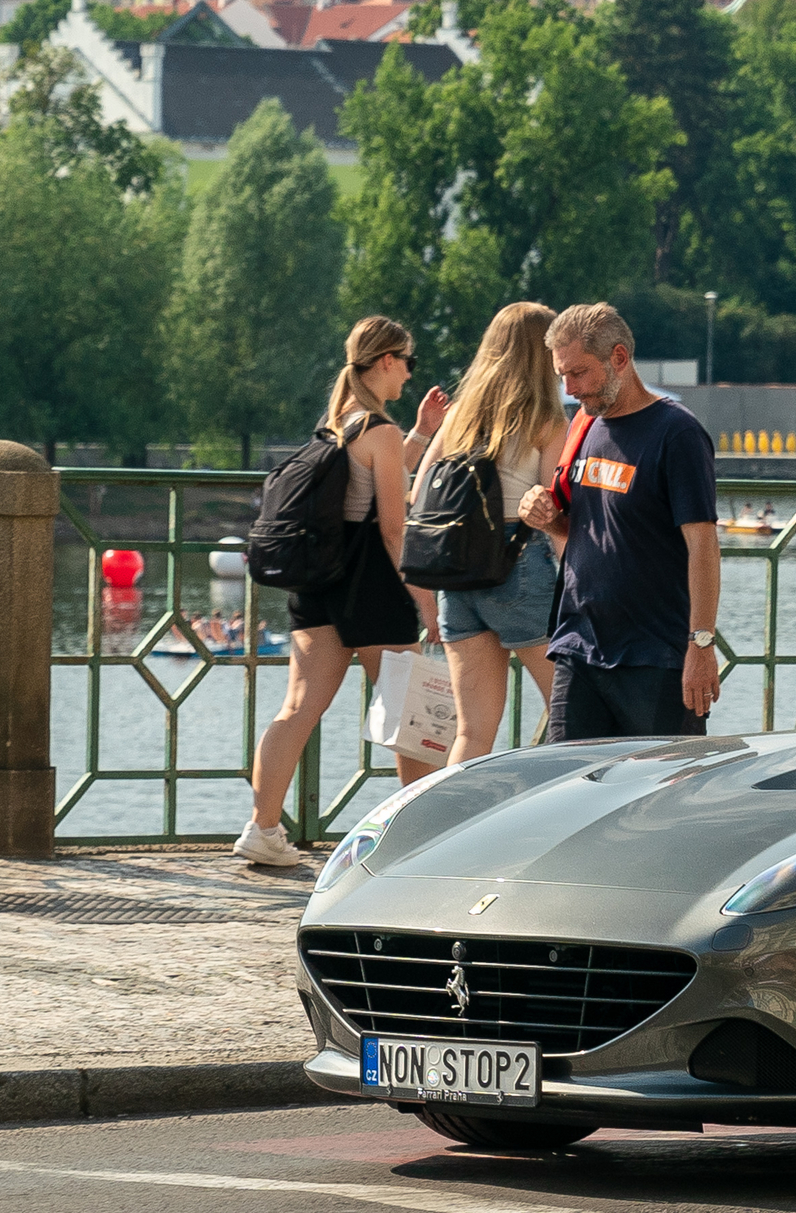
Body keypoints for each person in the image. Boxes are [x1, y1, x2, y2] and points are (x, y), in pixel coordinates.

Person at [234, 315, 449, 867]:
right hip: (371, 583)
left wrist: (420, 433)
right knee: (411, 713)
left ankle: (262, 828)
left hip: (319, 580)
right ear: (385, 361)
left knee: (298, 707)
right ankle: (418, 841)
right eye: (408, 361)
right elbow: (393, 524)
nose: (408, 372)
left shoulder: (336, 427)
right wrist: (424, 597)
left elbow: (376, 473)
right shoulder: (379, 430)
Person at [518, 303, 720, 739]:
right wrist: (547, 518)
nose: (571, 389)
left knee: (659, 798)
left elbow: (703, 545)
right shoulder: (584, 427)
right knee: (567, 791)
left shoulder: (677, 433)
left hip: (655, 655)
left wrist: (701, 645)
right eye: (563, 377)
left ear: (619, 359)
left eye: (580, 373)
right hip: (580, 646)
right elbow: (581, 531)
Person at [416, 301, 562, 764]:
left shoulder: (458, 416)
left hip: (457, 576)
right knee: (569, 716)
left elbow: (419, 493)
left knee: (472, 731)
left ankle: (451, 834)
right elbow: (554, 510)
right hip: (521, 564)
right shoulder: (547, 419)